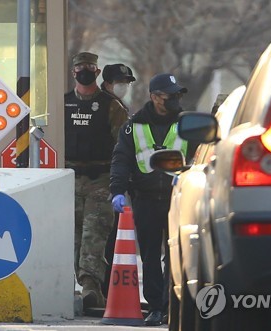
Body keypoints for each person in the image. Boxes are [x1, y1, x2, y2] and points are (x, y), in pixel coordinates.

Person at [109, 73, 194, 326]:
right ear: (155, 98)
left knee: (175, 254)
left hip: (178, 199)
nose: (176, 100)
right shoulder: (132, 126)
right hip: (145, 200)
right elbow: (121, 159)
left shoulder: (186, 123)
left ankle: (173, 305)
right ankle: (155, 307)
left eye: (178, 95)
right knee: (149, 255)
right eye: (171, 96)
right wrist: (117, 191)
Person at [64, 52, 129, 310]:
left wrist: (120, 182)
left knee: (94, 234)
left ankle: (91, 287)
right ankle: (80, 285)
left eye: (89, 67)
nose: (84, 71)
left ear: (97, 72)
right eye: (80, 67)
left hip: (100, 180)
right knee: (74, 238)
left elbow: (123, 145)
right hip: (69, 179)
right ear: (73, 72)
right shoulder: (63, 104)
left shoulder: (111, 106)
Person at [99, 63, 137, 298]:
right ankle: (104, 289)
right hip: (106, 177)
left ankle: (104, 289)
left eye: (127, 83)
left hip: (112, 176)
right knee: (106, 235)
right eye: (120, 82)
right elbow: (121, 146)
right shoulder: (109, 105)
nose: (124, 87)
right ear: (108, 82)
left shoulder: (118, 105)